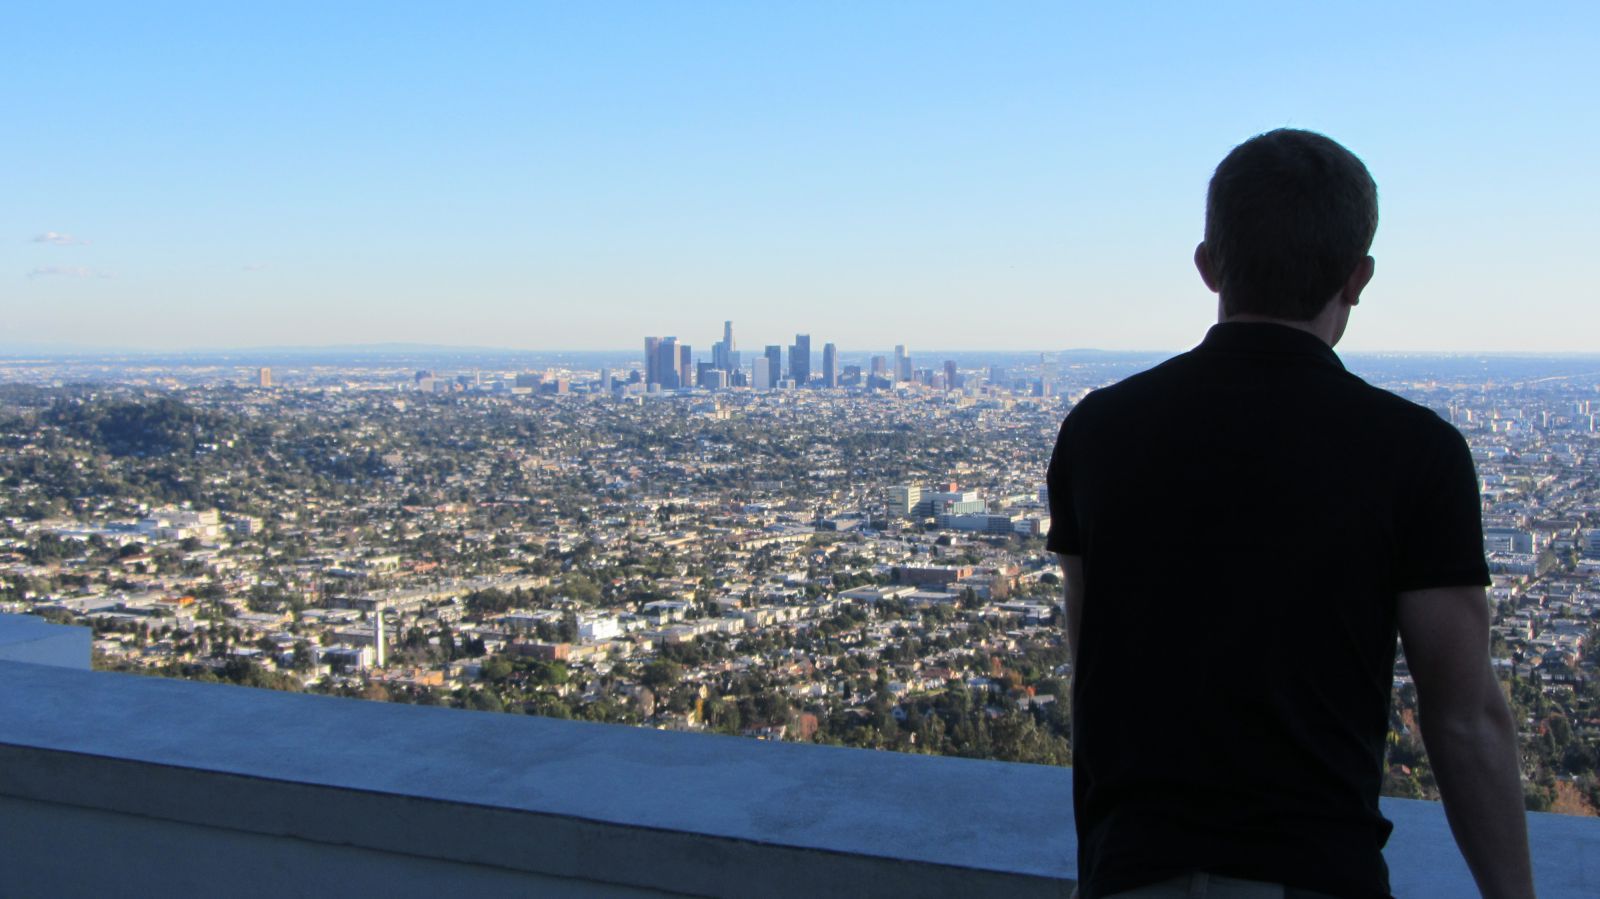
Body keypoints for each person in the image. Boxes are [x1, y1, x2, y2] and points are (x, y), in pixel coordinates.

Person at [1046, 129, 1534, 899]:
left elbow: (1091, 667)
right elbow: (1465, 714)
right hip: (1318, 873)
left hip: (1131, 870)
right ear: (1357, 277)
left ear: (1208, 266)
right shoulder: (1417, 454)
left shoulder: (1098, 431)